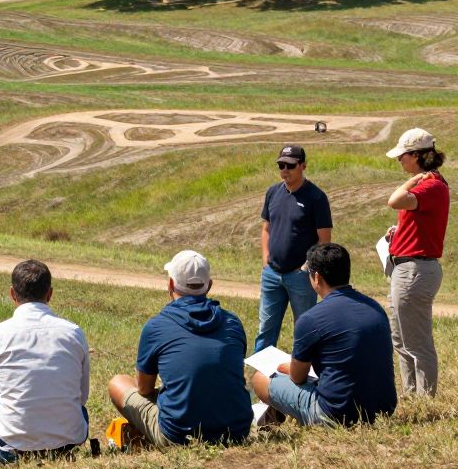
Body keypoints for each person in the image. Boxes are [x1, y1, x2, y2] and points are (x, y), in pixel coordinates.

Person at [107, 250, 252, 447]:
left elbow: (144, 388)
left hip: (179, 436)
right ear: (209, 285)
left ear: (171, 284)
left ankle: (145, 433)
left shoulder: (157, 326)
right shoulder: (232, 322)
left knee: (118, 382)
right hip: (237, 432)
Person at [0, 260, 90, 463]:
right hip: (67, 443)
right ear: (50, 294)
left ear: (12, 294)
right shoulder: (74, 333)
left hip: (11, 450)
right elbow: (81, 398)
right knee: (80, 411)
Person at [252, 243, 397, 425]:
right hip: (383, 409)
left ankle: (271, 420)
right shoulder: (375, 308)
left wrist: (287, 366)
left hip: (336, 414)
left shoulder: (311, 319)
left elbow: (298, 377)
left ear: (317, 277)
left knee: (260, 378)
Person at [385, 127, 449, 397]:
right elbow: (421, 221)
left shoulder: (431, 185)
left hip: (415, 270)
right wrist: (399, 233)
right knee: (400, 338)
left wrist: (411, 182)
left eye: (403, 155)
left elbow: (394, 200)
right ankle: (411, 394)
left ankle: (426, 398)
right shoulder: (427, 185)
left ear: (417, 156)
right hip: (406, 267)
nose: (400, 160)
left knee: (417, 341)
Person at [255, 144, 332, 353]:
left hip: (301, 277)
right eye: (281, 165)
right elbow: (266, 228)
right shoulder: (273, 192)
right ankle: (261, 378)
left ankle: (306, 376)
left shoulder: (316, 197)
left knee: (305, 330)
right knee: (265, 329)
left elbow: (324, 240)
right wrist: (265, 260)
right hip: (272, 273)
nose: (285, 170)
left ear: (303, 166)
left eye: (290, 165)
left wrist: (305, 268)